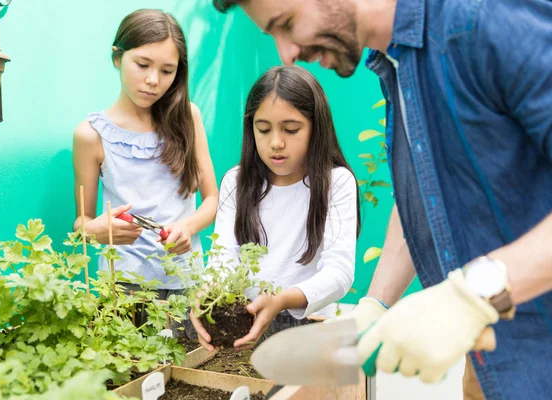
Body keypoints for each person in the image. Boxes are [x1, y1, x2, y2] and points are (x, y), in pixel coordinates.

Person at [212, 0, 552, 399]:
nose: (286, 53)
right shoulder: (397, 66)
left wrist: (476, 292)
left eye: (286, 24)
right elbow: (430, 195)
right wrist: (376, 304)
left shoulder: (480, 20)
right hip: (493, 358)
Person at [191, 65, 361, 352]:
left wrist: (281, 300)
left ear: (315, 128)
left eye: (291, 129)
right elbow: (222, 260)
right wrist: (207, 295)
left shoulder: (336, 182)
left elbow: (340, 273)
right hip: (244, 332)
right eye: (264, 129)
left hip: (312, 332)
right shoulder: (236, 181)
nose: (276, 142)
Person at [72, 9, 218, 301]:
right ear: (117, 57)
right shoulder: (91, 135)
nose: (153, 80)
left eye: (167, 71)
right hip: (121, 288)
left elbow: (212, 200)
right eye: (142, 64)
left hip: (185, 283)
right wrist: (95, 230)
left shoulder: (188, 118)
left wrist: (187, 227)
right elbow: (82, 222)